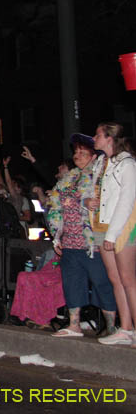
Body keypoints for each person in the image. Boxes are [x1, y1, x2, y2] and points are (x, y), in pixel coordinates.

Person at [44, 133, 117, 338]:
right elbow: (56, 207)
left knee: (102, 283)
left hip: (92, 242)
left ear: (94, 156)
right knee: (72, 283)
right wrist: (57, 236)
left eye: (83, 152)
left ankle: (112, 327)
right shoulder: (69, 178)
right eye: (75, 152)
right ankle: (74, 324)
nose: (78, 155)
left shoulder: (99, 178)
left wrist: (88, 202)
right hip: (70, 242)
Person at [88, 122, 136, 346]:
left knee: (128, 279)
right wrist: (88, 201)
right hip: (102, 224)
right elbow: (94, 192)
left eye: (97, 134)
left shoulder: (127, 163)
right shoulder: (100, 162)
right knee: (115, 278)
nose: (94, 138)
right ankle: (125, 329)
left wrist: (112, 235)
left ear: (109, 138)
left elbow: (127, 201)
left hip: (122, 226)